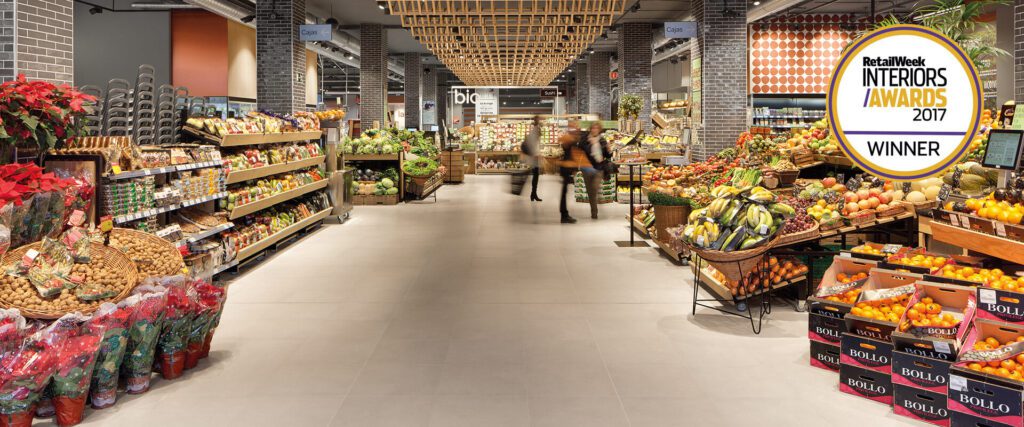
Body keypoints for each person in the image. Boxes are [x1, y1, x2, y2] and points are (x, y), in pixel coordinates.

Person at [579, 122, 611, 219]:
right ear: (590, 129)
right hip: (587, 168)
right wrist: (592, 144)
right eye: (593, 128)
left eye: (597, 128)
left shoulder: (602, 140)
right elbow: (582, 150)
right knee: (590, 192)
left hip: (599, 168)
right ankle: (594, 211)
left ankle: (596, 204)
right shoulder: (585, 140)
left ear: (599, 130)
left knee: (594, 188)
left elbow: (608, 155)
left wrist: (609, 151)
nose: (594, 130)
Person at [558, 121, 588, 224]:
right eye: (575, 127)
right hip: (566, 167)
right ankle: (564, 215)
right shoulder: (569, 138)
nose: (577, 128)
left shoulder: (571, 138)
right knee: (564, 192)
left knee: (564, 192)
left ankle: (564, 214)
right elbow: (571, 152)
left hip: (567, 167)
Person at [521, 116, 542, 201]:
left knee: (535, 176)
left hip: (534, 157)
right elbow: (533, 145)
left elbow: (535, 144)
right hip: (533, 158)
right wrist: (536, 154)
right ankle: (533, 194)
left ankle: (533, 194)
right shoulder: (535, 131)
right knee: (535, 176)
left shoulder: (535, 130)